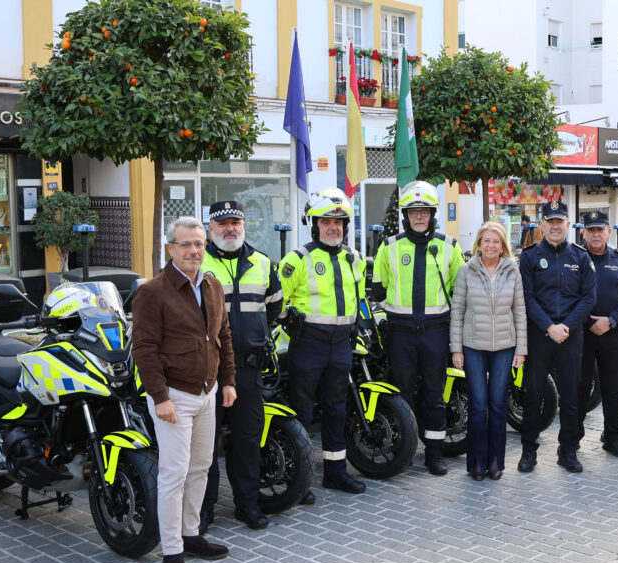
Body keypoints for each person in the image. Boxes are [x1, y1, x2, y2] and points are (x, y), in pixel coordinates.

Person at [132, 216, 236, 563]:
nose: (194, 250)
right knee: (174, 474)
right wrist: (159, 398)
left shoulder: (212, 285)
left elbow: (223, 337)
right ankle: (172, 551)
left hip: (207, 392)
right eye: (186, 244)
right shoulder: (152, 292)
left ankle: (191, 534)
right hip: (174, 396)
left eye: (199, 244)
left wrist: (229, 381)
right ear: (171, 248)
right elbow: (144, 349)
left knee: (201, 468)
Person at [278, 188, 367, 501]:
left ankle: (336, 472)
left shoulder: (355, 259)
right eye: (326, 221)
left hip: (343, 344)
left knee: (336, 409)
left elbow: (360, 299)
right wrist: (289, 319)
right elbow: (276, 299)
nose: (334, 227)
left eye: (339, 221)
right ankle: (299, 479)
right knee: (301, 410)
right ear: (313, 224)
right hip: (309, 345)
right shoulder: (297, 259)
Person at [198, 201, 281, 532]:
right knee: (205, 443)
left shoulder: (262, 262)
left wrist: (255, 335)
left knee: (247, 440)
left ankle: (247, 504)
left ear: (244, 225)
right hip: (208, 371)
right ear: (210, 228)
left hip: (247, 370)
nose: (229, 228)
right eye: (222, 224)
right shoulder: (195, 262)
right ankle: (203, 510)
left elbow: (274, 307)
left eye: (235, 222)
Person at [371, 181, 464, 476]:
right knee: (402, 393)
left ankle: (434, 455)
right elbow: (378, 288)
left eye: (424, 211)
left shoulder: (449, 246)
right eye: (413, 212)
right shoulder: (389, 246)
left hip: (436, 332)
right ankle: (405, 451)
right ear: (405, 216)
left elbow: (459, 289)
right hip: (401, 333)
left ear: (433, 214)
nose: (419, 217)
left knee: (435, 395)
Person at [517, 200, 597, 473]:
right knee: (533, 394)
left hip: (571, 335)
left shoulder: (580, 256)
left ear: (567, 225)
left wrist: (567, 327)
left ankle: (569, 451)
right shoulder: (528, 257)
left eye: (559, 221)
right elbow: (526, 298)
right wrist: (549, 327)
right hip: (540, 335)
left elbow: (589, 298)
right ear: (542, 225)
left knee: (571, 396)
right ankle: (529, 451)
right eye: (549, 222)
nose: (554, 226)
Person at [450, 221, 526, 480]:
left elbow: (520, 312)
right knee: (478, 406)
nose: (491, 245)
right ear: (479, 244)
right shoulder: (466, 271)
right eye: (486, 241)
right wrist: (456, 349)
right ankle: (476, 461)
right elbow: (457, 311)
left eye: (496, 241)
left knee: (497, 405)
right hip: (473, 346)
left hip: (505, 347)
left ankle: (495, 461)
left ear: (503, 245)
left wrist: (521, 349)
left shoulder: (512, 271)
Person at [578, 211, 618, 459]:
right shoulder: (575, 258)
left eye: (600, 229)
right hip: (582, 334)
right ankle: (573, 439)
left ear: (608, 232)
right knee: (579, 388)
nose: (595, 234)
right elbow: (567, 295)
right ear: (583, 232)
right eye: (591, 230)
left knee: (614, 389)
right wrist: (586, 321)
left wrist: (611, 320)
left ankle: (612, 438)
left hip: (614, 334)